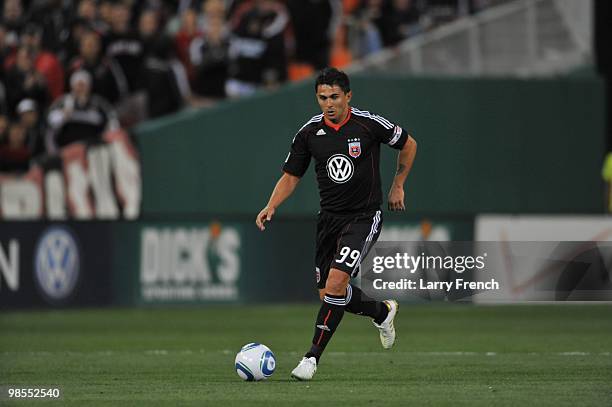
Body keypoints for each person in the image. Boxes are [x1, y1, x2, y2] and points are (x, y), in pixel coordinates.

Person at [255, 67, 417, 380]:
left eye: (334, 97)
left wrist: (398, 184)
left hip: (364, 217)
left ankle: (311, 359)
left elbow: (409, 144)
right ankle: (382, 312)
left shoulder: (369, 124)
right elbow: (291, 177)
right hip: (329, 220)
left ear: (348, 96)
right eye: (322, 97)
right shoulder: (309, 133)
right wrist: (271, 205)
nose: (328, 103)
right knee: (330, 294)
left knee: (335, 285)